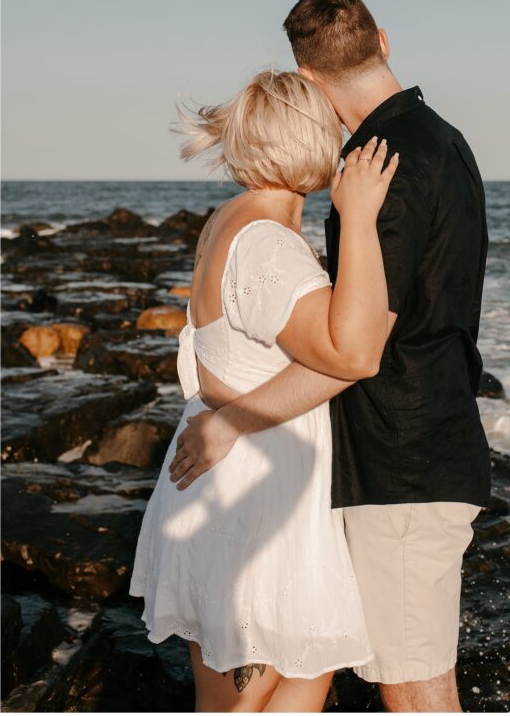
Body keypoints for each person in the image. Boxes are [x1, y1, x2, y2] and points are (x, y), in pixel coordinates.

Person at [170, 0, 493, 713]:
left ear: (308, 79)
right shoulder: (441, 138)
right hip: (408, 447)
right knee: (329, 672)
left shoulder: (379, 164)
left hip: (399, 460)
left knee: (410, 683)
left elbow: (359, 345)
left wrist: (231, 420)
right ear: (383, 37)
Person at [129, 68, 400, 713]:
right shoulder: (268, 247)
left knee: (295, 677)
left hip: (233, 486)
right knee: (261, 694)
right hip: (252, 498)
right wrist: (358, 221)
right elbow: (354, 353)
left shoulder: (231, 219)